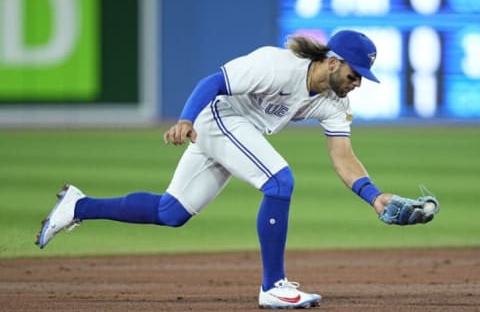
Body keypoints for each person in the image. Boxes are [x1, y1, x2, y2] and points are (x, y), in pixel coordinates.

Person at [36, 30, 436, 309]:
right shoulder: (278, 65)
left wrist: (375, 197)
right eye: (354, 75)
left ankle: (77, 206)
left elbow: (343, 156)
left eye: (363, 78)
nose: (357, 84)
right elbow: (214, 82)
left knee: (170, 213)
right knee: (280, 181)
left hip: (234, 131)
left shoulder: (332, 101)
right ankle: (273, 286)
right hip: (217, 118)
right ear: (333, 62)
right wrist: (186, 119)